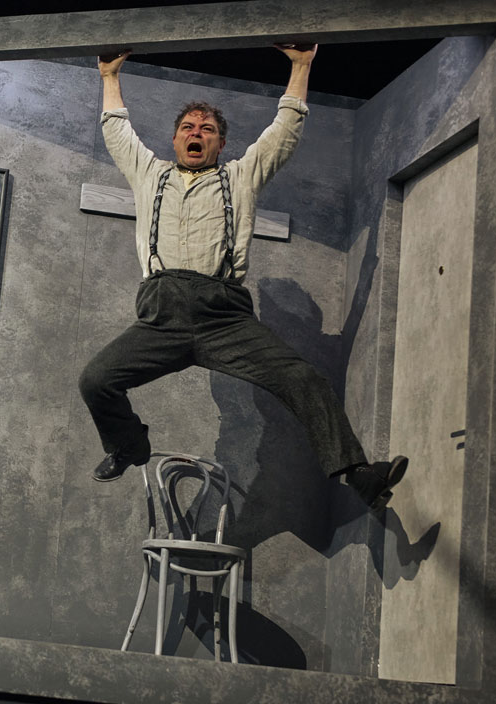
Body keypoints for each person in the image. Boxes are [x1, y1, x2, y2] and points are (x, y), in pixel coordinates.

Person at [78, 44, 406, 512]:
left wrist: (301, 65)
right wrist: (110, 77)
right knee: (95, 380)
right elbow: (117, 130)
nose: (196, 133)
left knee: (305, 378)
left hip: (224, 318)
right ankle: (129, 444)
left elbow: (284, 131)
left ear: (220, 144)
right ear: (175, 140)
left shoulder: (240, 176)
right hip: (160, 318)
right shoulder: (150, 174)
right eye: (188, 128)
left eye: (206, 129)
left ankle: (359, 474)